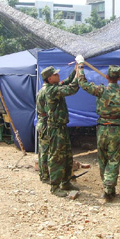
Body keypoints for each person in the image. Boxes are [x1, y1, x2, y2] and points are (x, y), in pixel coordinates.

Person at [75, 55, 120, 201]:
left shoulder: (101, 90)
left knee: (103, 159)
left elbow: (83, 83)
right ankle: (109, 189)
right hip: (116, 128)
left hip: (102, 128)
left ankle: (107, 188)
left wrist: (80, 65)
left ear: (106, 77)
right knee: (114, 159)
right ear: (119, 78)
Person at [41, 65, 80, 197]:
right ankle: (55, 186)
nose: (58, 76)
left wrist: (75, 69)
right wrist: (80, 72)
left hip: (61, 127)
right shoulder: (51, 90)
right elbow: (72, 88)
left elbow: (68, 81)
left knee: (67, 156)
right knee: (57, 157)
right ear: (50, 78)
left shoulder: (55, 86)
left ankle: (66, 182)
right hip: (55, 128)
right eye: (56, 75)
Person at [36, 80, 49, 184]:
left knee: (42, 150)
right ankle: (45, 175)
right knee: (45, 151)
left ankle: (43, 173)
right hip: (45, 124)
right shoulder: (46, 92)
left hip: (41, 123)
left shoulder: (41, 91)